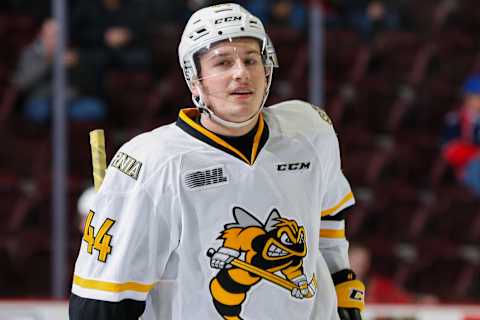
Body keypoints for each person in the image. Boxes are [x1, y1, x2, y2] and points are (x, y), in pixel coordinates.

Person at [69, 3, 365, 319]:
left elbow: (328, 220)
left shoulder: (309, 130)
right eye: (223, 62)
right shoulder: (154, 163)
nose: (241, 72)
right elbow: (100, 302)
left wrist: (341, 280)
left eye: (251, 59)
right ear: (195, 80)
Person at [12, 19, 106, 124]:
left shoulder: (71, 55)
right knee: (39, 111)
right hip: (41, 101)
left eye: (59, 36)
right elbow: (22, 83)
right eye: (52, 35)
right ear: (41, 35)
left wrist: (76, 66)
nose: (56, 39)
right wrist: (49, 63)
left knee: (95, 109)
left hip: (69, 102)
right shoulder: (30, 53)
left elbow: (87, 85)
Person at [442, 74, 480, 197]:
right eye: (476, 97)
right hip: (470, 167)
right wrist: (475, 153)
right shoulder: (455, 119)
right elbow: (450, 149)